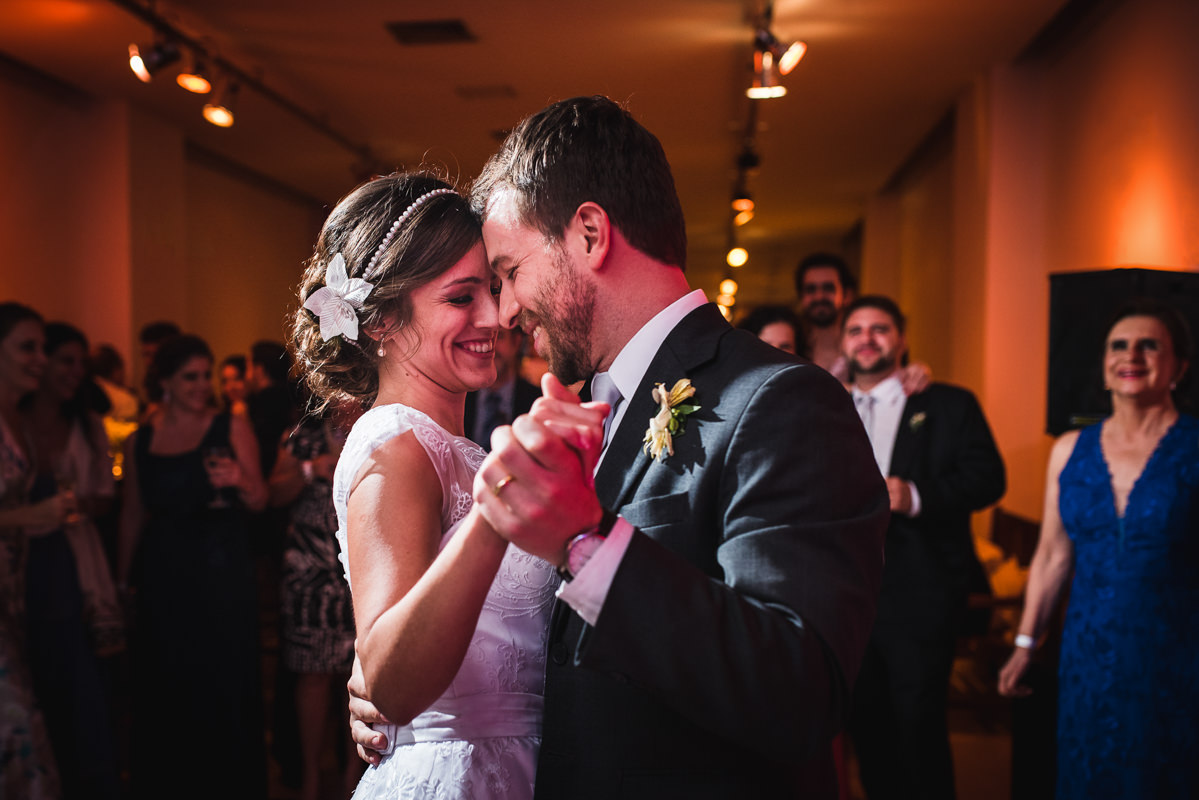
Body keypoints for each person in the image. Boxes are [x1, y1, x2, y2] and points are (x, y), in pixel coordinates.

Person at [351, 95, 888, 797]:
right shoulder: (584, 409)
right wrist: (402, 694)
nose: (506, 313)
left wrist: (584, 543)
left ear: (590, 234)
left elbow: (800, 689)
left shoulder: (779, 401)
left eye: (509, 272)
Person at [293, 172, 588, 798]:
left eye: (494, 287)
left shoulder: (464, 453)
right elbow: (393, 682)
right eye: (461, 299)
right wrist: (495, 512)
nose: (496, 316)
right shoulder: (395, 444)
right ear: (378, 322)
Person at [998, 299, 1199, 798]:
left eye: (1149, 344)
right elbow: (1051, 555)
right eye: (1119, 345)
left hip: (1178, 647)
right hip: (1089, 649)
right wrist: (1026, 642)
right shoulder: (1070, 449)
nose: (1131, 354)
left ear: (1178, 367)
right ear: (1106, 369)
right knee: (1090, 769)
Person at [841, 296, 1005, 800]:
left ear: (902, 339)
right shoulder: (825, 402)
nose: (867, 338)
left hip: (922, 592)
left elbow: (988, 478)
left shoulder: (948, 404)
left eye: (880, 328)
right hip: (845, 594)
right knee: (865, 726)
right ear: (845, 343)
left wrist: (914, 496)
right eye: (856, 330)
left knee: (919, 726)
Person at [117, 334, 268, 799]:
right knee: (167, 683)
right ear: (164, 381)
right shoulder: (142, 440)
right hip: (165, 576)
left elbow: (260, 499)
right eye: (191, 377)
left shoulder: (230, 426)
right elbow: (133, 514)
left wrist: (239, 479)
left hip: (221, 574)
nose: (203, 385)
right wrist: (121, 581)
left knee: (221, 684)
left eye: (206, 375)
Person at [21, 321, 123, 798]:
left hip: (73, 553)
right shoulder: (13, 421)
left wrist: (74, 503)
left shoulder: (86, 423)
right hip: (21, 554)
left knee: (76, 670)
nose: (73, 372)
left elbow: (105, 498)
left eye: (80, 364)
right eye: (64, 360)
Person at [268, 405, 363, 800]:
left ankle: (353, 779)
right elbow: (272, 493)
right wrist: (312, 468)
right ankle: (308, 778)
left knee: (359, 677)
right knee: (312, 675)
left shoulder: (379, 422)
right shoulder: (302, 433)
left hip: (361, 569)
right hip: (310, 575)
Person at [0, 302, 62, 799]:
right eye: (27, 347)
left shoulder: (18, 418)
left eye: (42, 348)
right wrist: (26, 517)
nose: (39, 358)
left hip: (13, 593)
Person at [464, 328, 540, 450]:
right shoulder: (460, 397)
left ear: (516, 342)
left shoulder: (537, 401)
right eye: (483, 335)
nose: (489, 344)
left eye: (499, 336)